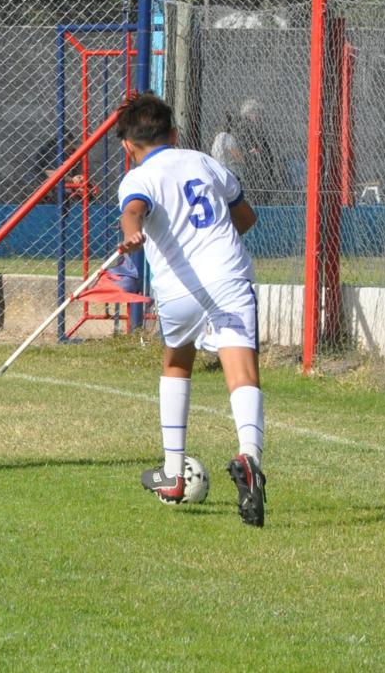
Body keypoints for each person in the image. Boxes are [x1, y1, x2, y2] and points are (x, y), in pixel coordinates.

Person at [114, 93, 267, 528]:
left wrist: (133, 233)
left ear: (128, 146)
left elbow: (134, 210)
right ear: (175, 134)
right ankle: (250, 458)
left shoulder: (139, 176)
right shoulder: (203, 162)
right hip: (229, 277)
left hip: (180, 288)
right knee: (242, 370)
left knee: (177, 363)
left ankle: (173, 472)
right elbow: (246, 218)